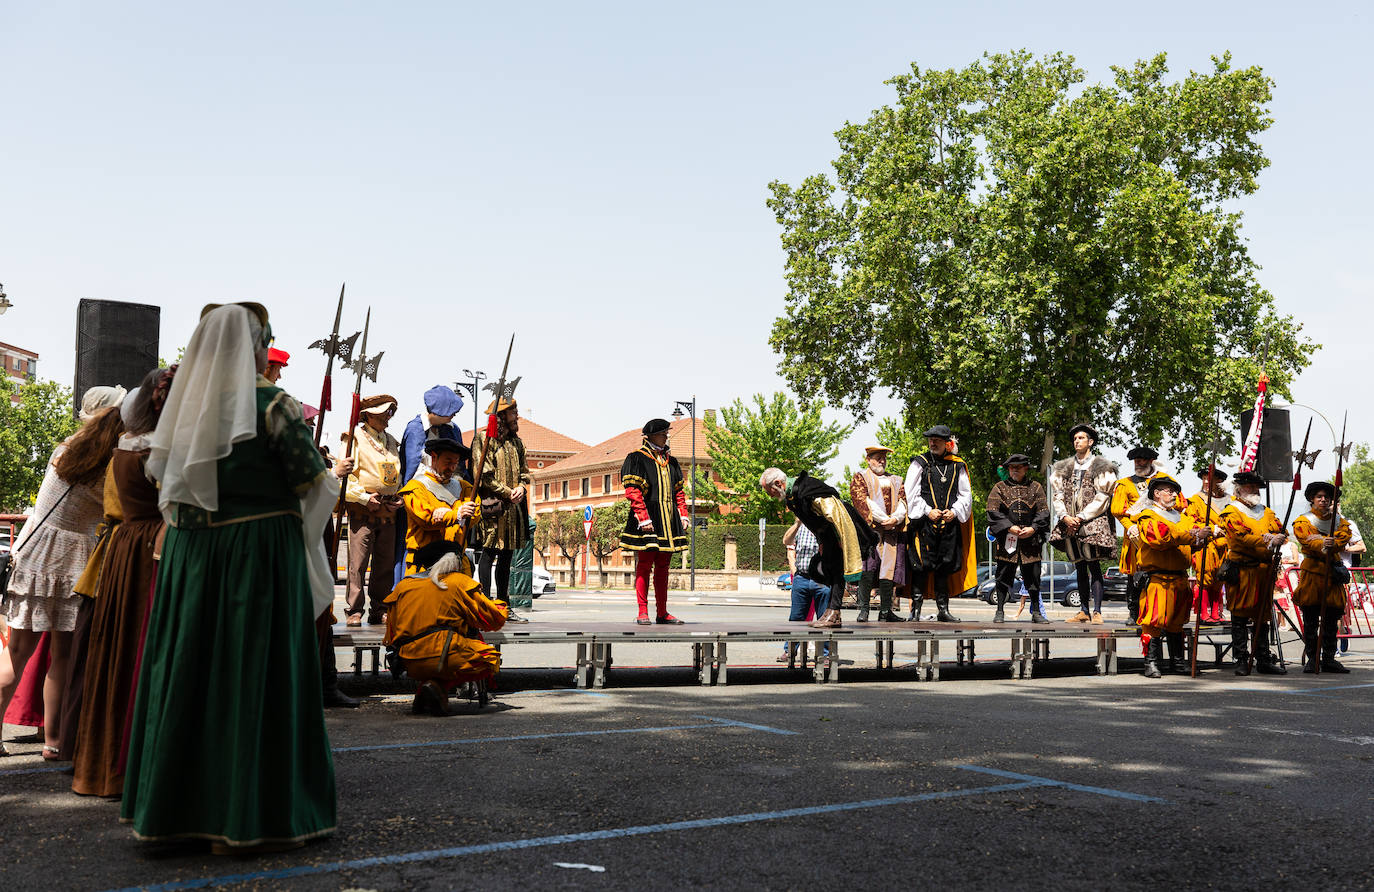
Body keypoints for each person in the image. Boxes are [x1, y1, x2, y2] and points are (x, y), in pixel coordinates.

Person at [122, 302, 337, 852]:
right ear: (254, 346)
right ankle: (248, 816)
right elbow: (314, 484)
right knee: (251, 673)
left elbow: (167, 486)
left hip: (193, 558)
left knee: (192, 670)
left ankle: (175, 813)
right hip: (257, 558)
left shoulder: (185, 410)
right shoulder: (274, 405)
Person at [70, 369, 173, 794]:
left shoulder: (124, 445)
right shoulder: (161, 450)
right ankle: (137, 765)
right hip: (153, 550)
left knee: (117, 649)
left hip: (122, 549)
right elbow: (178, 507)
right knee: (142, 648)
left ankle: (103, 764)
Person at [0, 406, 123, 760]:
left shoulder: (64, 450)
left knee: (17, 652)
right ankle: (54, 742)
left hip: (34, 553)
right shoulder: (107, 472)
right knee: (64, 657)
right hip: (71, 563)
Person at [383, 541, 507, 716]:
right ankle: (438, 687)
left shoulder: (403, 586)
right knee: (489, 658)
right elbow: (494, 619)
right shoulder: (459, 582)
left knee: (439, 657)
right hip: (443, 654)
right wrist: (501, 606)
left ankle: (424, 691)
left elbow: (391, 634)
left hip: (408, 660)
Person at [761, 468, 876, 628]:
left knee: (836, 570)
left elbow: (834, 512)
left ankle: (834, 612)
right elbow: (813, 523)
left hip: (839, 528)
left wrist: (842, 538)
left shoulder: (807, 489)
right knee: (827, 569)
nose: (770, 495)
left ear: (778, 483)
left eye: (769, 491)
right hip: (827, 534)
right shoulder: (792, 498)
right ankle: (831, 612)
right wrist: (821, 541)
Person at [1134, 474, 1212, 678]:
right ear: (1157, 494)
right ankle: (1151, 662)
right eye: (1168, 491)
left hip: (1180, 577)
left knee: (1177, 623)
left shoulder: (1184, 518)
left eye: (1175, 491)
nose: (1173, 494)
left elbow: (1192, 540)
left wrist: (1203, 537)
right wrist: (1193, 535)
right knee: (1153, 621)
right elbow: (1160, 537)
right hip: (1158, 578)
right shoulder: (1147, 516)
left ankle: (1177, 662)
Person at [618, 419, 691, 624]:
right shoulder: (636, 458)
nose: (666, 436)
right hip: (648, 519)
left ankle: (662, 612)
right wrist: (643, 517)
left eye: (666, 433)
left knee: (663, 567)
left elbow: (679, 492)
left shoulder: (672, 461)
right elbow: (633, 491)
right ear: (649, 437)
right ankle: (643, 611)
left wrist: (683, 513)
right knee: (644, 565)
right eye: (662, 434)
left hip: (668, 519)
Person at [903, 425, 976, 622]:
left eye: (937, 440)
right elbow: (910, 493)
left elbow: (965, 495)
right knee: (920, 567)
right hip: (923, 526)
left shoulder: (957, 465)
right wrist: (928, 511)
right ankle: (915, 612)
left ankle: (943, 610)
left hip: (948, 525)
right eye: (930, 439)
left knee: (943, 568)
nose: (933, 443)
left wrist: (954, 512)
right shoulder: (920, 463)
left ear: (946, 443)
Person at [395, 385, 467, 586]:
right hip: (420, 497)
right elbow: (410, 470)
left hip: (450, 495)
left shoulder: (453, 430)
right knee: (413, 549)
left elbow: (460, 466)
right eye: (451, 410)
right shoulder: (415, 428)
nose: (454, 414)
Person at [1219, 470, 1288, 675]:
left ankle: (1263, 658)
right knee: (1239, 615)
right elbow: (1240, 538)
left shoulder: (1266, 512)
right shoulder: (1231, 511)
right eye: (1250, 487)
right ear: (1239, 489)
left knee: (1263, 616)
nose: (1254, 490)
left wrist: (1278, 536)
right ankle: (1241, 659)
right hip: (1242, 570)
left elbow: (1281, 530)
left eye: (1256, 487)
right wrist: (1267, 539)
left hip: (1264, 571)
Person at [343, 393, 403, 626]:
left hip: (388, 511)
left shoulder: (391, 440)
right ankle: (354, 609)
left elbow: (397, 477)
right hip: (363, 510)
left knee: (384, 564)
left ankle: (379, 608)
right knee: (358, 563)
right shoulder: (353, 438)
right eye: (384, 412)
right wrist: (364, 498)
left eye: (390, 412)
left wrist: (399, 497)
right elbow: (344, 478)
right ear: (369, 414)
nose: (389, 416)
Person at [471, 397, 532, 622]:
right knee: (488, 553)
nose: (516, 415)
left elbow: (525, 472)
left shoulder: (517, 442)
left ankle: (504, 605)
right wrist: (507, 492)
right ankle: (486, 605)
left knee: (507, 557)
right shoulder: (484, 439)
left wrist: (521, 488)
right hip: (492, 508)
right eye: (512, 412)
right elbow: (483, 474)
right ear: (501, 416)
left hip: (513, 510)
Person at [1050, 423, 1117, 624]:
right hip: (1070, 523)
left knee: (1093, 565)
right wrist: (1064, 516)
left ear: (1091, 442)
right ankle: (1083, 611)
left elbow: (1103, 497)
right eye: (1075, 438)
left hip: (1091, 523)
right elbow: (1057, 495)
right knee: (1079, 566)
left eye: (1081, 438)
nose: (1077, 441)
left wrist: (1081, 516)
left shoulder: (1102, 466)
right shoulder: (1063, 468)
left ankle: (1097, 611)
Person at [1291, 481, 1352, 673]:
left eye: (1326, 497)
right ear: (1312, 499)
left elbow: (1344, 537)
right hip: (1312, 575)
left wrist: (1325, 541)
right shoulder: (1303, 520)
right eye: (1319, 497)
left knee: (1330, 621)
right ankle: (1312, 659)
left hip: (1332, 574)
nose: (1323, 500)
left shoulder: (1339, 520)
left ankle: (1329, 659)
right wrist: (1324, 542)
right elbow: (1306, 540)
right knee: (1310, 621)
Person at [985, 454, 1051, 623]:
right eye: (1012, 467)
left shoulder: (1036, 487)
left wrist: (1033, 528)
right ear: (1008, 469)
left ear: (1026, 468)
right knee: (1002, 575)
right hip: (1008, 540)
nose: (1015, 469)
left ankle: (1036, 612)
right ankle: (999, 610)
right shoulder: (999, 487)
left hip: (1031, 541)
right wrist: (1009, 527)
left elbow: (1043, 511)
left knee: (1034, 577)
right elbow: (993, 511)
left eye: (1019, 467)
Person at [398, 438, 479, 576]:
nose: (452, 467)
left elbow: (474, 513)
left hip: (457, 561)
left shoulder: (464, 488)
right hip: (424, 563)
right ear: (434, 457)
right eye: (448, 462)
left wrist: (449, 513)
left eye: (455, 463)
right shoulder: (416, 487)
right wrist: (457, 514)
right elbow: (426, 519)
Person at [849, 445, 908, 622]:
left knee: (888, 571)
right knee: (868, 569)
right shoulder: (861, 478)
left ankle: (885, 611)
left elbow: (903, 501)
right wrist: (884, 519)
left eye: (883, 457)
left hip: (891, 532)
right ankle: (864, 609)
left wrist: (896, 519)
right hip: (870, 532)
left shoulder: (896, 480)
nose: (882, 461)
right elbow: (863, 502)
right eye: (877, 457)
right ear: (868, 459)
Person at [1111, 446, 1162, 624]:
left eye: (1142, 460)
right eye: (1136, 460)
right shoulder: (1125, 484)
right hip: (1135, 538)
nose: (1138, 463)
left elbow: (1177, 504)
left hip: (1158, 536)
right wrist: (1129, 526)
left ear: (1150, 461)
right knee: (1134, 578)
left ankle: (1154, 613)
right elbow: (1118, 511)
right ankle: (1133, 613)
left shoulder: (1164, 482)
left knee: (1156, 576)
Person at [778, 521, 831, 660]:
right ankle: (790, 651)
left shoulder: (825, 525)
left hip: (821, 578)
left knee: (823, 618)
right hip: (801, 577)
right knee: (796, 617)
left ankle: (824, 653)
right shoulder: (800, 527)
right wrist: (796, 524)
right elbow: (786, 541)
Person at [1184, 467, 1230, 625]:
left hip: (1224, 544)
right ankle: (1203, 614)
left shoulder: (1231, 500)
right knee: (1205, 577)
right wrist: (1210, 528)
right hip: (1205, 544)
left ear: (1219, 481)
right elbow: (1189, 522)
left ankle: (1217, 613)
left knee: (1219, 578)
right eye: (1203, 478)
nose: (1205, 482)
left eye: (1209, 478)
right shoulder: (1195, 500)